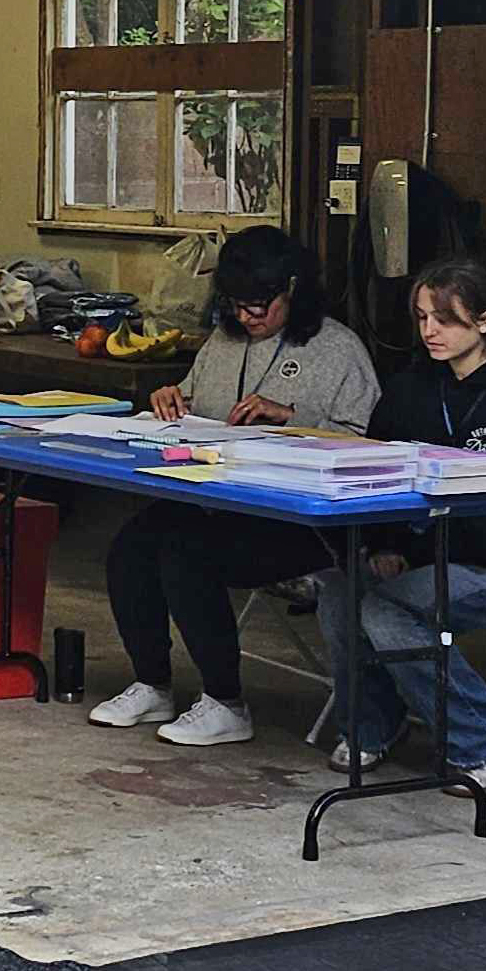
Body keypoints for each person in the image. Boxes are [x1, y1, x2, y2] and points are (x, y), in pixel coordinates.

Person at [90, 226, 382, 748]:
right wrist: (171, 398)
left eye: (261, 306)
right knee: (130, 547)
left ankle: (226, 701)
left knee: (185, 554)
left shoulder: (340, 350)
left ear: (294, 289)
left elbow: (368, 445)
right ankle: (153, 683)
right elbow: (198, 407)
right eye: (237, 306)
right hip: (223, 499)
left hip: (303, 521)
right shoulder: (222, 344)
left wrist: (289, 416)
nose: (248, 318)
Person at [319, 257, 486, 798]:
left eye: (445, 319)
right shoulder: (411, 387)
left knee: (383, 607)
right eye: (421, 318)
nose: (429, 332)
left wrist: (433, 545)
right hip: (427, 552)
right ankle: (371, 723)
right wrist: (387, 541)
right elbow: (377, 467)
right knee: (338, 588)